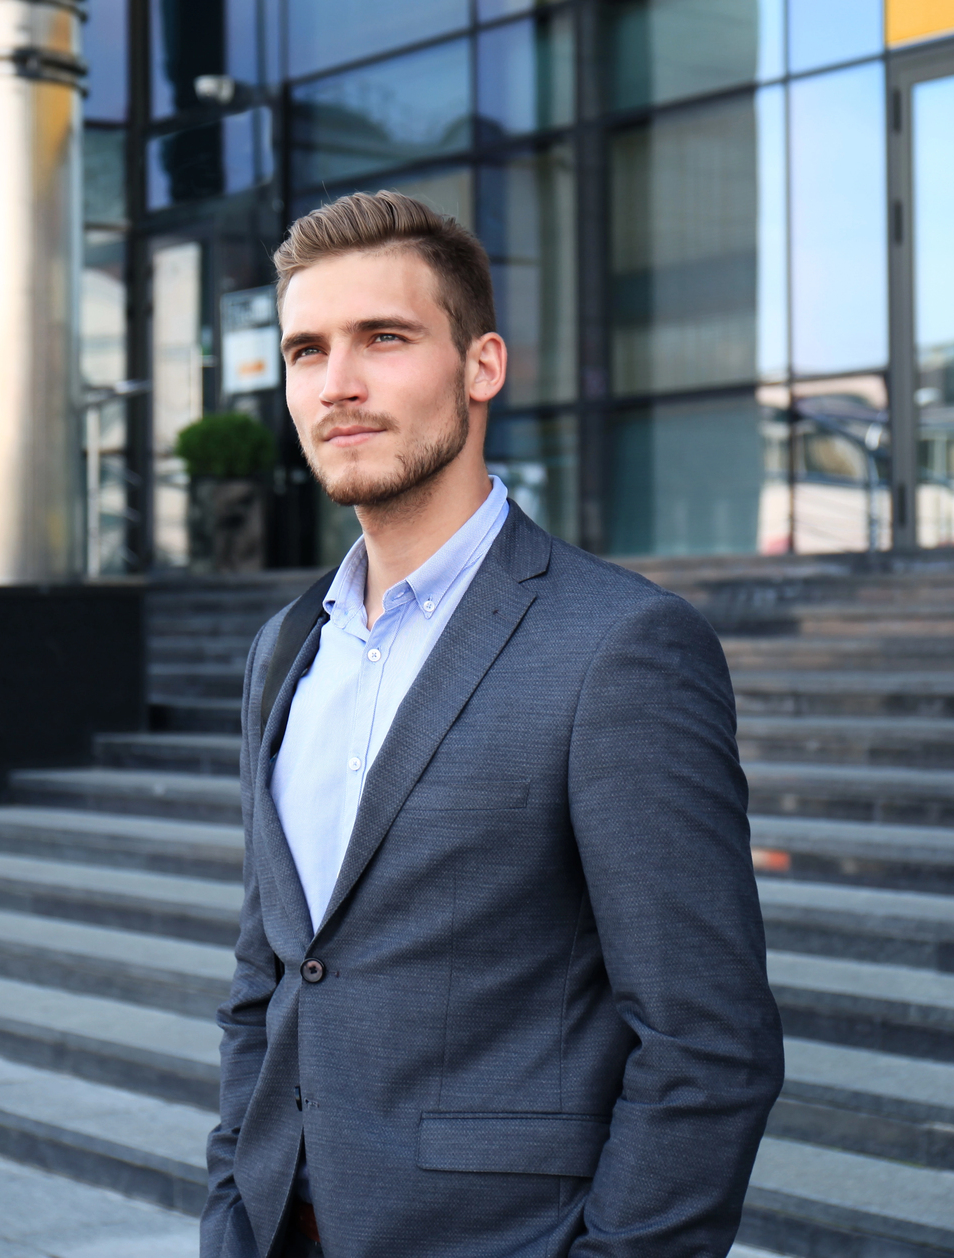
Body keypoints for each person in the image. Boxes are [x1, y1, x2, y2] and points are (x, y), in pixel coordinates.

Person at [202, 190, 782, 1258]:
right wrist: (232, 1205)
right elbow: (269, 978)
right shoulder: (284, 651)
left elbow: (709, 1042)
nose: (337, 384)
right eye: (305, 349)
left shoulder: (619, 648)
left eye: (383, 338)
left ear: (481, 366)